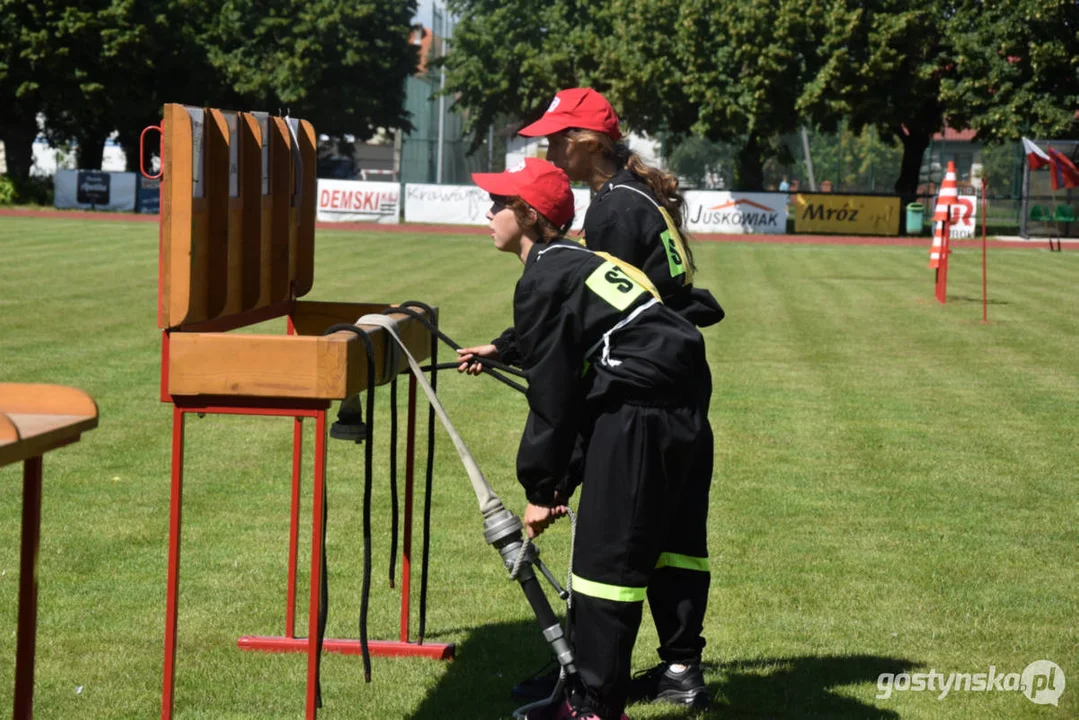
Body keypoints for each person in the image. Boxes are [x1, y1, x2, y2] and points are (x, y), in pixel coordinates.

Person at [460, 88, 716, 709]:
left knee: (607, 561)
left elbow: (560, 390)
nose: (485, 213)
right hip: (678, 390)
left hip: (641, 402)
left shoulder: (603, 218)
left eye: (497, 202)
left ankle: (588, 699)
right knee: (668, 543)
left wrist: (547, 487)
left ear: (526, 213)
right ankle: (666, 672)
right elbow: (600, 316)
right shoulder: (613, 211)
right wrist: (509, 347)